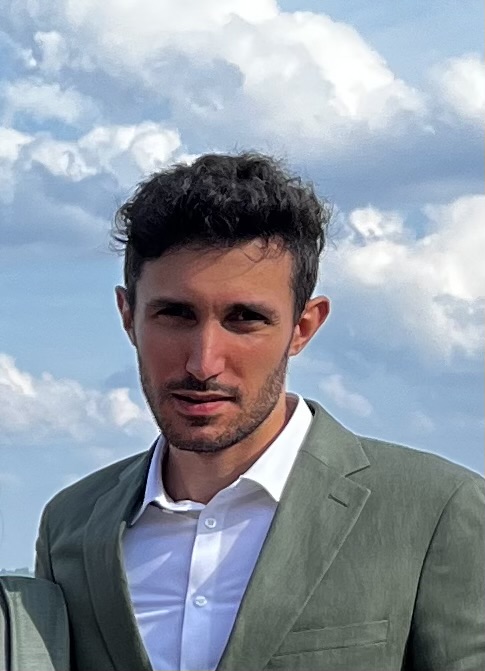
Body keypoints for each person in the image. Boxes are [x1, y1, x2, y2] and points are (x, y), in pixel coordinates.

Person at [35, 152, 484, 671]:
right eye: (175, 314)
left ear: (303, 328)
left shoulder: (435, 511)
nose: (204, 362)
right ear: (127, 315)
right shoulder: (71, 525)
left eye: (244, 318)